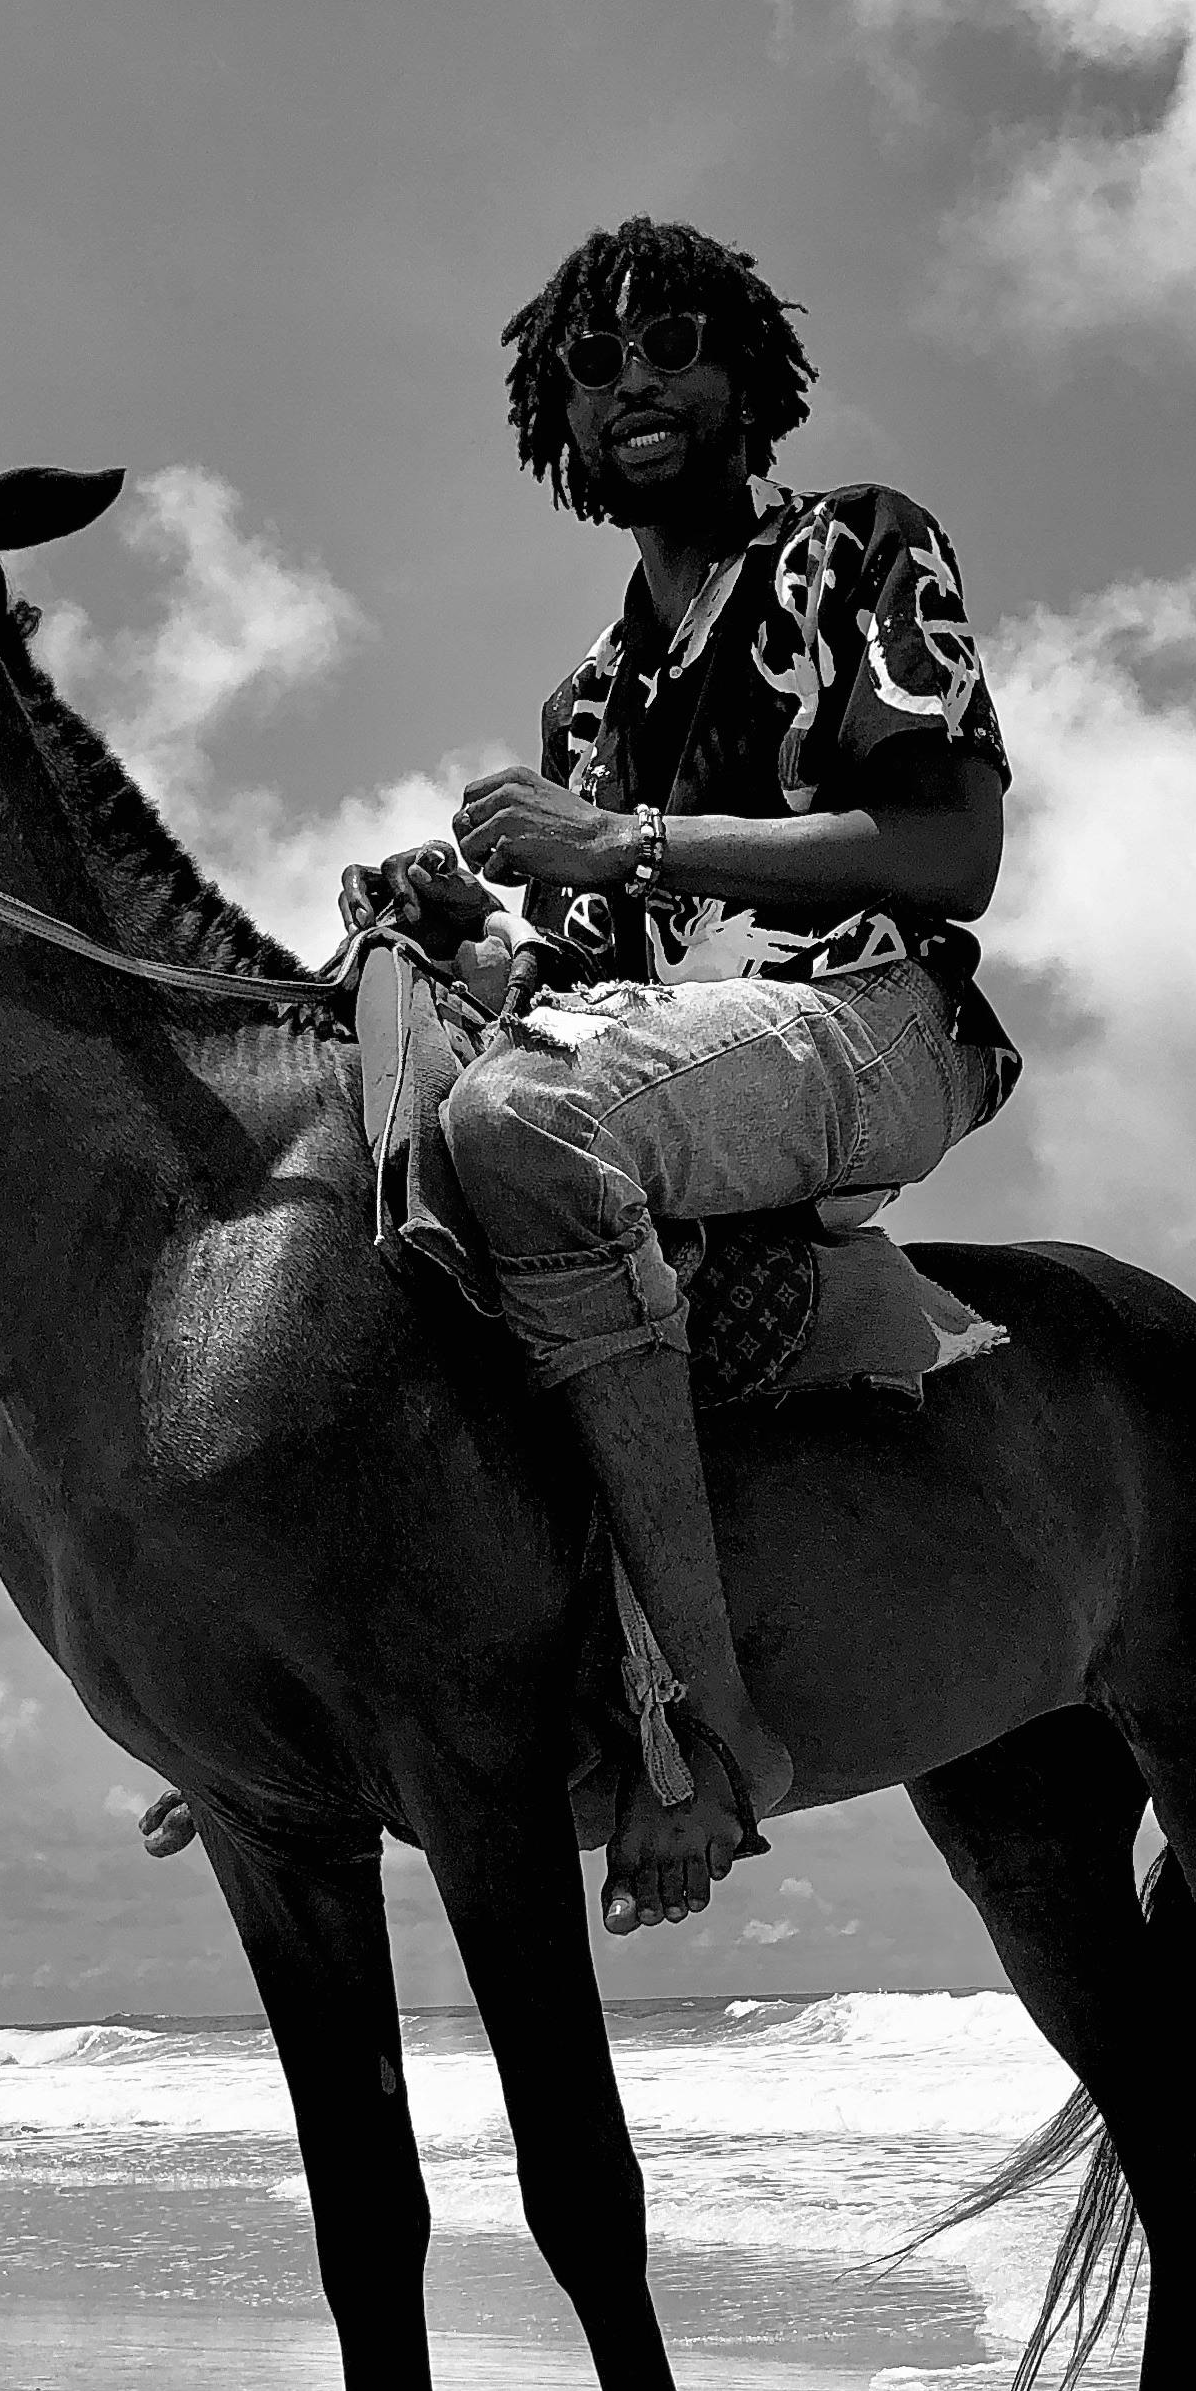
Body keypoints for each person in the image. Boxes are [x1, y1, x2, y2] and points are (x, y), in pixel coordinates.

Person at [398, 215, 1020, 1941]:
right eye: (593, 373)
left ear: (747, 374)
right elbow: (598, 987)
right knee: (376, 1122)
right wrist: (472, 944)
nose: (636, 388)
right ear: (561, 428)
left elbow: (950, 847)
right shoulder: (587, 696)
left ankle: (704, 1726)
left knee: (522, 1116)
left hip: (870, 1021)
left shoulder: (859, 552)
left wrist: (624, 836)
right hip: (668, 1053)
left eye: (672, 346)